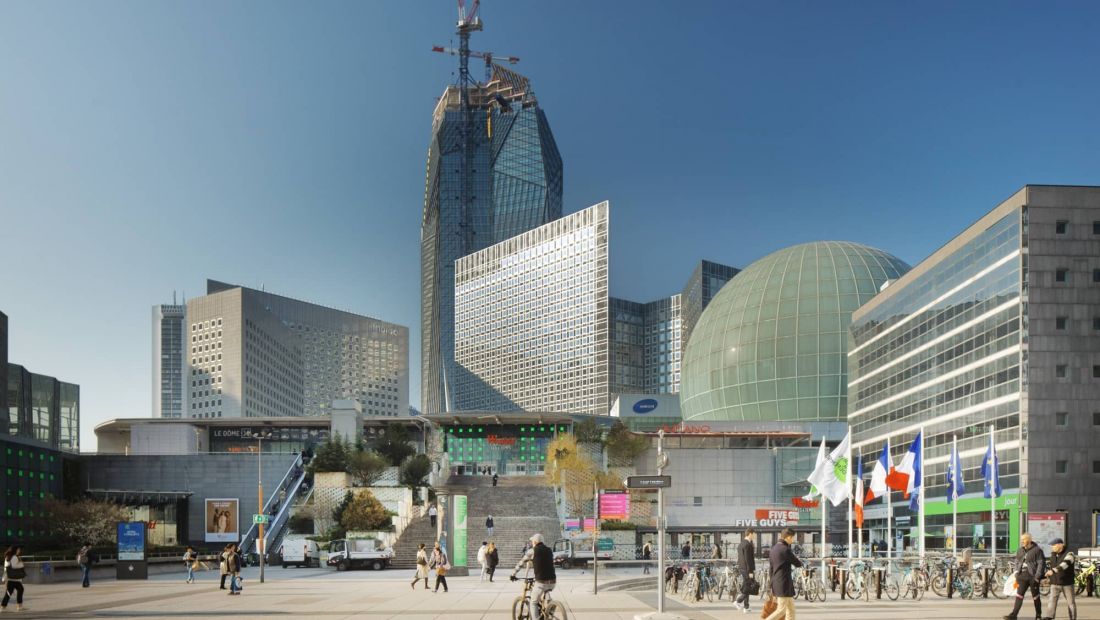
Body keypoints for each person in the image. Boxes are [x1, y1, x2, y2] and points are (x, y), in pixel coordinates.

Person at [511, 533, 556, 619]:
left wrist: (513, 574)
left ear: (535, 542)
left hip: (541, 581)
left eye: (532, 541)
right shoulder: (549, 550)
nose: (531, 543)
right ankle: (551, 606)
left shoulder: (532, 551)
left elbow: (521, 563)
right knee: (545, 591)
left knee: (533, 602)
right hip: (553, 581)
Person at [1004, 532, 1044, 620]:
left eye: (1024, 540)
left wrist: (1037, 577)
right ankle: (1014, 615)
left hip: (1033, 576)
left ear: (1029, 540)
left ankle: (1038, 615)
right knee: (1019, 596)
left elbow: (1041, 564)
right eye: (1021, 540)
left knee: (1036, 597)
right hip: (1022, 576)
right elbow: (1017, 561)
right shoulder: (1020, 550)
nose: (1022, 541)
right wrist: (1017, 572)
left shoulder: (1037, 550)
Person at [764, 527, 802, 620]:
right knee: (781, 610)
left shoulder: (774, 549)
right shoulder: (785, 549)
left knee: (791, 610)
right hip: (783, 584)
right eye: (792, 537)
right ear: (788, 537)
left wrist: (771, 584)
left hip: (778, 583)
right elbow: (797, 563)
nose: (793, 540)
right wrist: (799, 560)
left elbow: (771, 569)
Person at [1043, 537, 1076, 620]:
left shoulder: (1070, 554)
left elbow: (1065, 565)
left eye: (1053, 545)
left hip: (1067, 583)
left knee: (1070, 603)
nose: (1052, 547)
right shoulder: (1053, 555)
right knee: (1052, 601)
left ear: (1060, 545)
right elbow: (1051, 567)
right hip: (1055, 582)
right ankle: (1049, 617)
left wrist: (1053, 571)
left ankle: (1072, 618)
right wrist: (1048, 578)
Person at [735, 528, 757, 613]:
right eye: (754, 534)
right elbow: (748, 559)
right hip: (747, 569)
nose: (755, 536)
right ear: (750, 534)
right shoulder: (748, 544)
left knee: (747, 586)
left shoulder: (741, 544)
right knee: (749, 587)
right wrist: (750, 571)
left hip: (742, 568)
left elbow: (741, 558)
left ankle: (746, 607)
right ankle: (738, 601)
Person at [2, 546, 26, 612]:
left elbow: (6, 568)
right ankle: (3, 607)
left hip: (10, 577)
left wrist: (4, 578)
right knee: (11, 592)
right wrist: (21, 564)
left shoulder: (8, 557)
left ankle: (19, 606)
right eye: (18, 549)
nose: (19, 551)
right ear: (15, 550)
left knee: (18, 590)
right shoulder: (14, 557)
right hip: (14, 578)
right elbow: (14, 566)